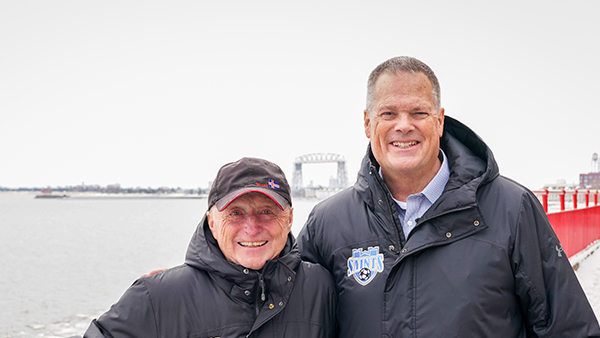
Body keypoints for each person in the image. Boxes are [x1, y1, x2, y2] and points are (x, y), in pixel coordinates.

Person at [298, 56, 600, 337]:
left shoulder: (512, 210)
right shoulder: (327, 223)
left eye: (418, 112)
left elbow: (568, 327)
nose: (403, 125)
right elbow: (289, 318)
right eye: (388, 113)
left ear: (440, 121)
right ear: (367, 123)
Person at [84, 157, 336, 338]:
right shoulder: (158, 296)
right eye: (236, 213)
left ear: (290, 219)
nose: (251, 227)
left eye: (267, 211)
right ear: (212, 222)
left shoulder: (320, 288)